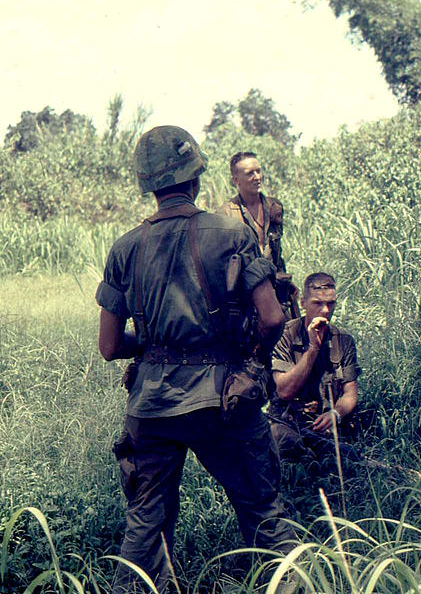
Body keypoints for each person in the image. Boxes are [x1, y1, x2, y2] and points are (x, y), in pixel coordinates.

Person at [96, 126, 296, 593]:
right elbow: (272, 319)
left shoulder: (125, 247)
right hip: (222, 398)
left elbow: (108, 346)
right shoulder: (230, 233)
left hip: (151, 407)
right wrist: (249, 366)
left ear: (149, 185)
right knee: (262, 510)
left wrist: (154, 345)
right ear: (196, 177)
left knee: (145, 526)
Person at [267, 272, 362, 473]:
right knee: (283, 442)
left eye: (331, 304)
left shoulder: (342, 340)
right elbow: (284, 390)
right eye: (317, 303)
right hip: (288, 422)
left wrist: (336, 413)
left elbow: (350, 393)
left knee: (347, 457)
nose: (325, 310)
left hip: (324, 425)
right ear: (303, 302)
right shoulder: (284, 335)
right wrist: (313, 348)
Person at [218, 151, 299, 318]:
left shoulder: (274, 207)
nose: (257, 177)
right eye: (249, 173)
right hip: (245, 297)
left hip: (277, 291)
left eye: (259, 171)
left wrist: (287, 283)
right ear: (236, 180)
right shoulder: (225, 214)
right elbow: (224, 266)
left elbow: (277, 252)